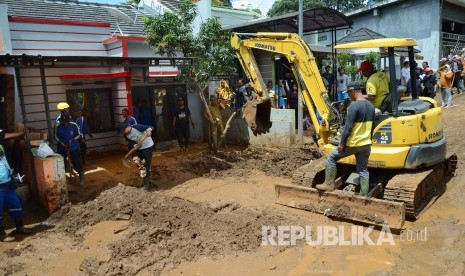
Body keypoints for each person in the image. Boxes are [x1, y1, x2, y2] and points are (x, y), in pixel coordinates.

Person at [316, 82, 375, 196]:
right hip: (366, 144)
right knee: (363, 170)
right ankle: (364, 195)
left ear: (353, 91)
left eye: (349, 93)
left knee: (332, 157)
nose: (349, 95)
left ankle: (329, 184)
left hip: (353, 143)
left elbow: (348, 127)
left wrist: (342, 144)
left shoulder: (353, 106)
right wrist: (369, 141)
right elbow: (372, 127)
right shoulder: (371, 106)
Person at [0, 130, 32, 242]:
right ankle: (1, 235)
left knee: (16, 204)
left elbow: (6, 136)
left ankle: (20, 227)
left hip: (7, 182)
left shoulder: (1, 147)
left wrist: (22, 133)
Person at [117, 123, 154, 189]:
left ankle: (146, 183)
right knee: (139, 163)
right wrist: (134, 145)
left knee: (146, 165)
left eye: (122, 131)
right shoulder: (126, 135)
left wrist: (149, 130)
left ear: (127, 127)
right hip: (139, 148)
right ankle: (146, 176)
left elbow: (150, 126)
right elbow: (130, 141)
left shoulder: (137, 127)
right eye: (121, 132)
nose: (122, 133)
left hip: (148, 146)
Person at [55, 114, 85, 185]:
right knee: (62, 164)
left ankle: (82, 178)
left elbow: (79, 135)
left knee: (76, 162)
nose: (65, 124)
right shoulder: (57, 126)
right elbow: (55, 136)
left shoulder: (74, 125)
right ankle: (63, 180)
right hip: (62, 148)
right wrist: (60, 142)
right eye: (63, 122)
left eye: (66, 122)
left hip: (73, 147)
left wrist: (72, 140)